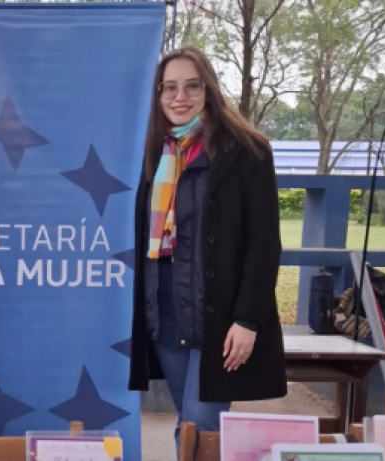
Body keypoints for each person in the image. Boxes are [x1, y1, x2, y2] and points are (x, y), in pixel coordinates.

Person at [127, 45, 287, 455]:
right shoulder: (153, 152)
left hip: (220, 314)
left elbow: (264, 243)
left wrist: (248, 320)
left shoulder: (248, 151)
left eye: (191, 86)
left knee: (202, 419)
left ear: (209, 90)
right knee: (189, 417)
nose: (179, 97)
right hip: (164, 306)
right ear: (159, 95)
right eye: (169, 88)